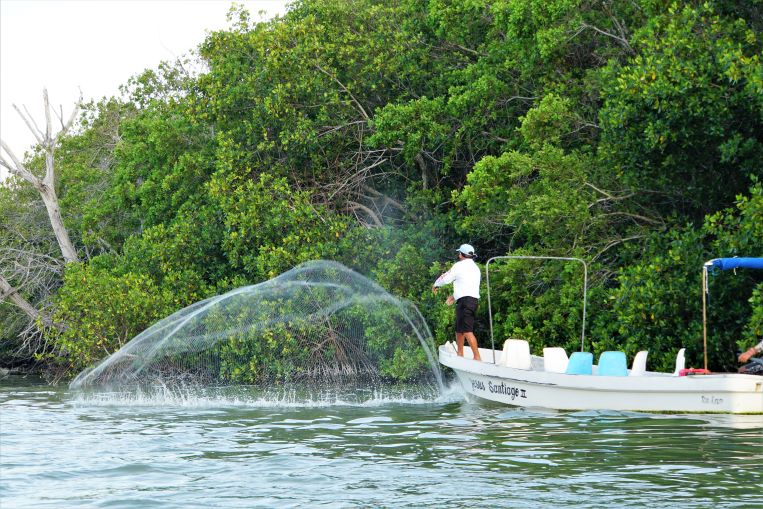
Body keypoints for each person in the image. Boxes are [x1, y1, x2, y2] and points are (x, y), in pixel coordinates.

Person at [433, 244, 482, 361]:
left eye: (459, 253)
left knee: (467, 330)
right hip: (471, 301)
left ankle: (477, 357)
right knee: (459, 329)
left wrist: (435, 284)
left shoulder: (459, 266)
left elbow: (445, 278)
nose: (458, 254)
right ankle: (460, 354)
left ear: (462, 255)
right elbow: (468, 286)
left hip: (465, 302)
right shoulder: (475, 268)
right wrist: (454, 296)